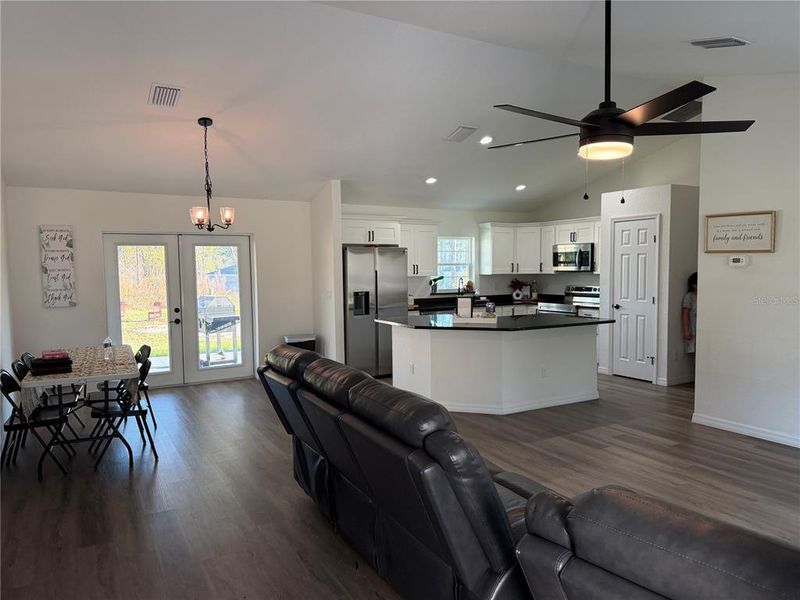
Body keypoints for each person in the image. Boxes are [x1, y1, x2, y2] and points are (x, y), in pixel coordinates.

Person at [682, 272, 698, 354]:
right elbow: (685, 314)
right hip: (693, 329)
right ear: (694, 285)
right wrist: (686, 330)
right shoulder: (689, 296)